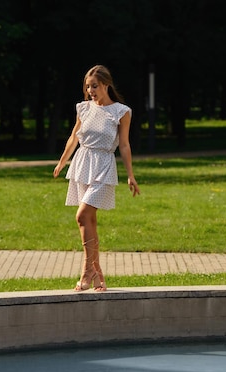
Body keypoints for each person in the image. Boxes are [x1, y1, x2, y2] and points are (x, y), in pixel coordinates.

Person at [53, 65, 140, 292]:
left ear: (106, 85)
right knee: (87, 221)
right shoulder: (84, 108)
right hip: (83, 163)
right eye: (88, 86)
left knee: (82, 214)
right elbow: (74, 137)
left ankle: (87, 269)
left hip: (103, 166)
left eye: (95, 86)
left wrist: (130, 175)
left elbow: (124, 144)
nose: (91, 90)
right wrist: (62, 162)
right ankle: (96, 272)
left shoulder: (121, 112)